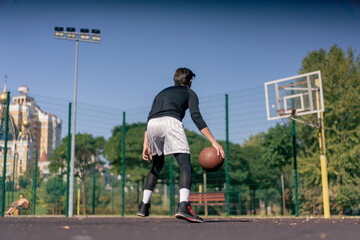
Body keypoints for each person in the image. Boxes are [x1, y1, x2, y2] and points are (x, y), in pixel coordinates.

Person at [137, 67, 225, 223]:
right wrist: (213, 142)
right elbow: (196, 116)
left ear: (174, 80)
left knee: (157, 166)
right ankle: (183, 206)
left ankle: (143, 205)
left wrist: (146, 142)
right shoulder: (190, 93)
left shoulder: (161, 93)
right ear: (190, 81)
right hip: (171, 122)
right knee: (185, 165)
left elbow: (150, 115)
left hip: (152, 125)